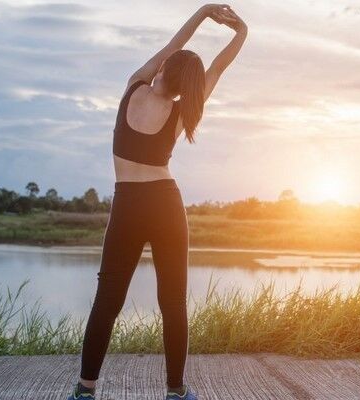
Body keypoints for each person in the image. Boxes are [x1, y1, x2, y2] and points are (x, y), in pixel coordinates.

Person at [67, 4, 247, 400]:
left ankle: (85, 390)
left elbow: (175, 44)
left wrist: (202, 14)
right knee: (172, 302)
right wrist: (241, 34)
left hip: (129, 204)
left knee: (107, 301)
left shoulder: (134, 86)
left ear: (165, 68)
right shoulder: (183, 111)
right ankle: (175, 393)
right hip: (166, 204)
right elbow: (215, 70)